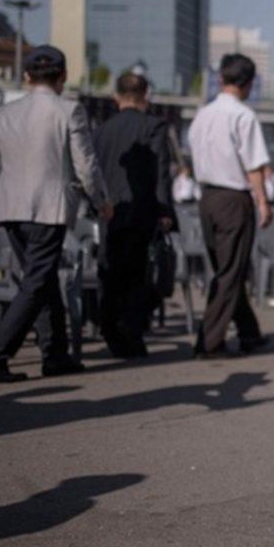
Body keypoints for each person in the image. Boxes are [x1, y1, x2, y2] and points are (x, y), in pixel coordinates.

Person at [0, 45, 113, 383]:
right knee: (37, 281)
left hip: (9, 208)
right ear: (62, 76)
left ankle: (55, 354)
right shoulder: (69, 110)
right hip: (48, 208)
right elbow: (86, 163)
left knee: (43, 278)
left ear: (26, 75)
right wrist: (101, 200)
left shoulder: (7, 113)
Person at [186, 52, 272, 358]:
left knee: (226, 268)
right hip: (234, 199)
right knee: (230, 272)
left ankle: (250, 332)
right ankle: (209, 342)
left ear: (221, 79)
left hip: (207, 197)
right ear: (249, 84)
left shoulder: (202, 114)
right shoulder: (243, 116)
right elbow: (253, 165)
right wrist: (263, 202)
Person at [93, 67, 174, 359]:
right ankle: (132, 331)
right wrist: (165, 210)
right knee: (139, 274)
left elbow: (94, 171)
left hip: (109, 211)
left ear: (116, 96)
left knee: (111, 270)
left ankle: (111, 330)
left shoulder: (101, 131)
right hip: (143, 209)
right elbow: (160, 172)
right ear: (144, 95)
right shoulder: (153, 126)